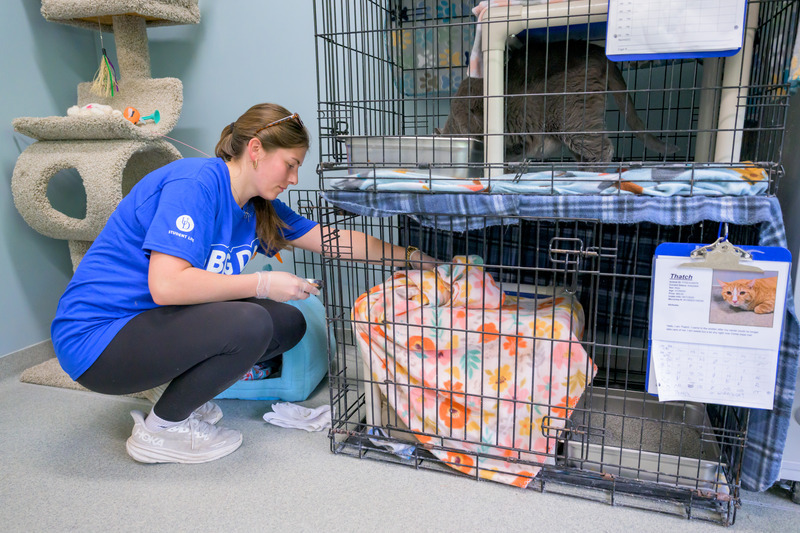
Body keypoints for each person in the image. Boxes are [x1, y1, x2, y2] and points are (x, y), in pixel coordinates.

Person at [50, 102, 437, 465]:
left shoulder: (257, 206)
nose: (294, 178)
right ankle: (161, 431)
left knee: (289, 323)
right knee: (250, 322)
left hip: (150, 324)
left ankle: (182, 396)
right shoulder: (195, 184)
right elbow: (166, 286)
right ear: (256, 149)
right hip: (98, 340)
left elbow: (332, 241)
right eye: (289, 164)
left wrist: (412, 257)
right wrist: (262, 283)